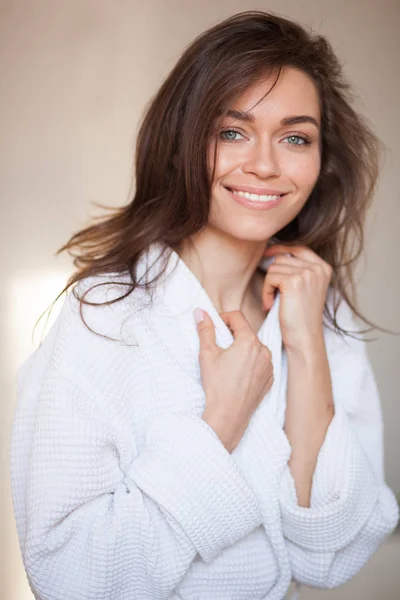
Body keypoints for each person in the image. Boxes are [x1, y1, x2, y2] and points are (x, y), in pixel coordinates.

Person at [9, 10, 399, 600]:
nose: (266, 164)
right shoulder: (107, 316)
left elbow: (332, 554)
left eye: (296, 137)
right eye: (232, 131)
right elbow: (70, 580)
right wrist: (220, 424)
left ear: (321, 162)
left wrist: (307, 346)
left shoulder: (319, 309)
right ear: (183, 144)